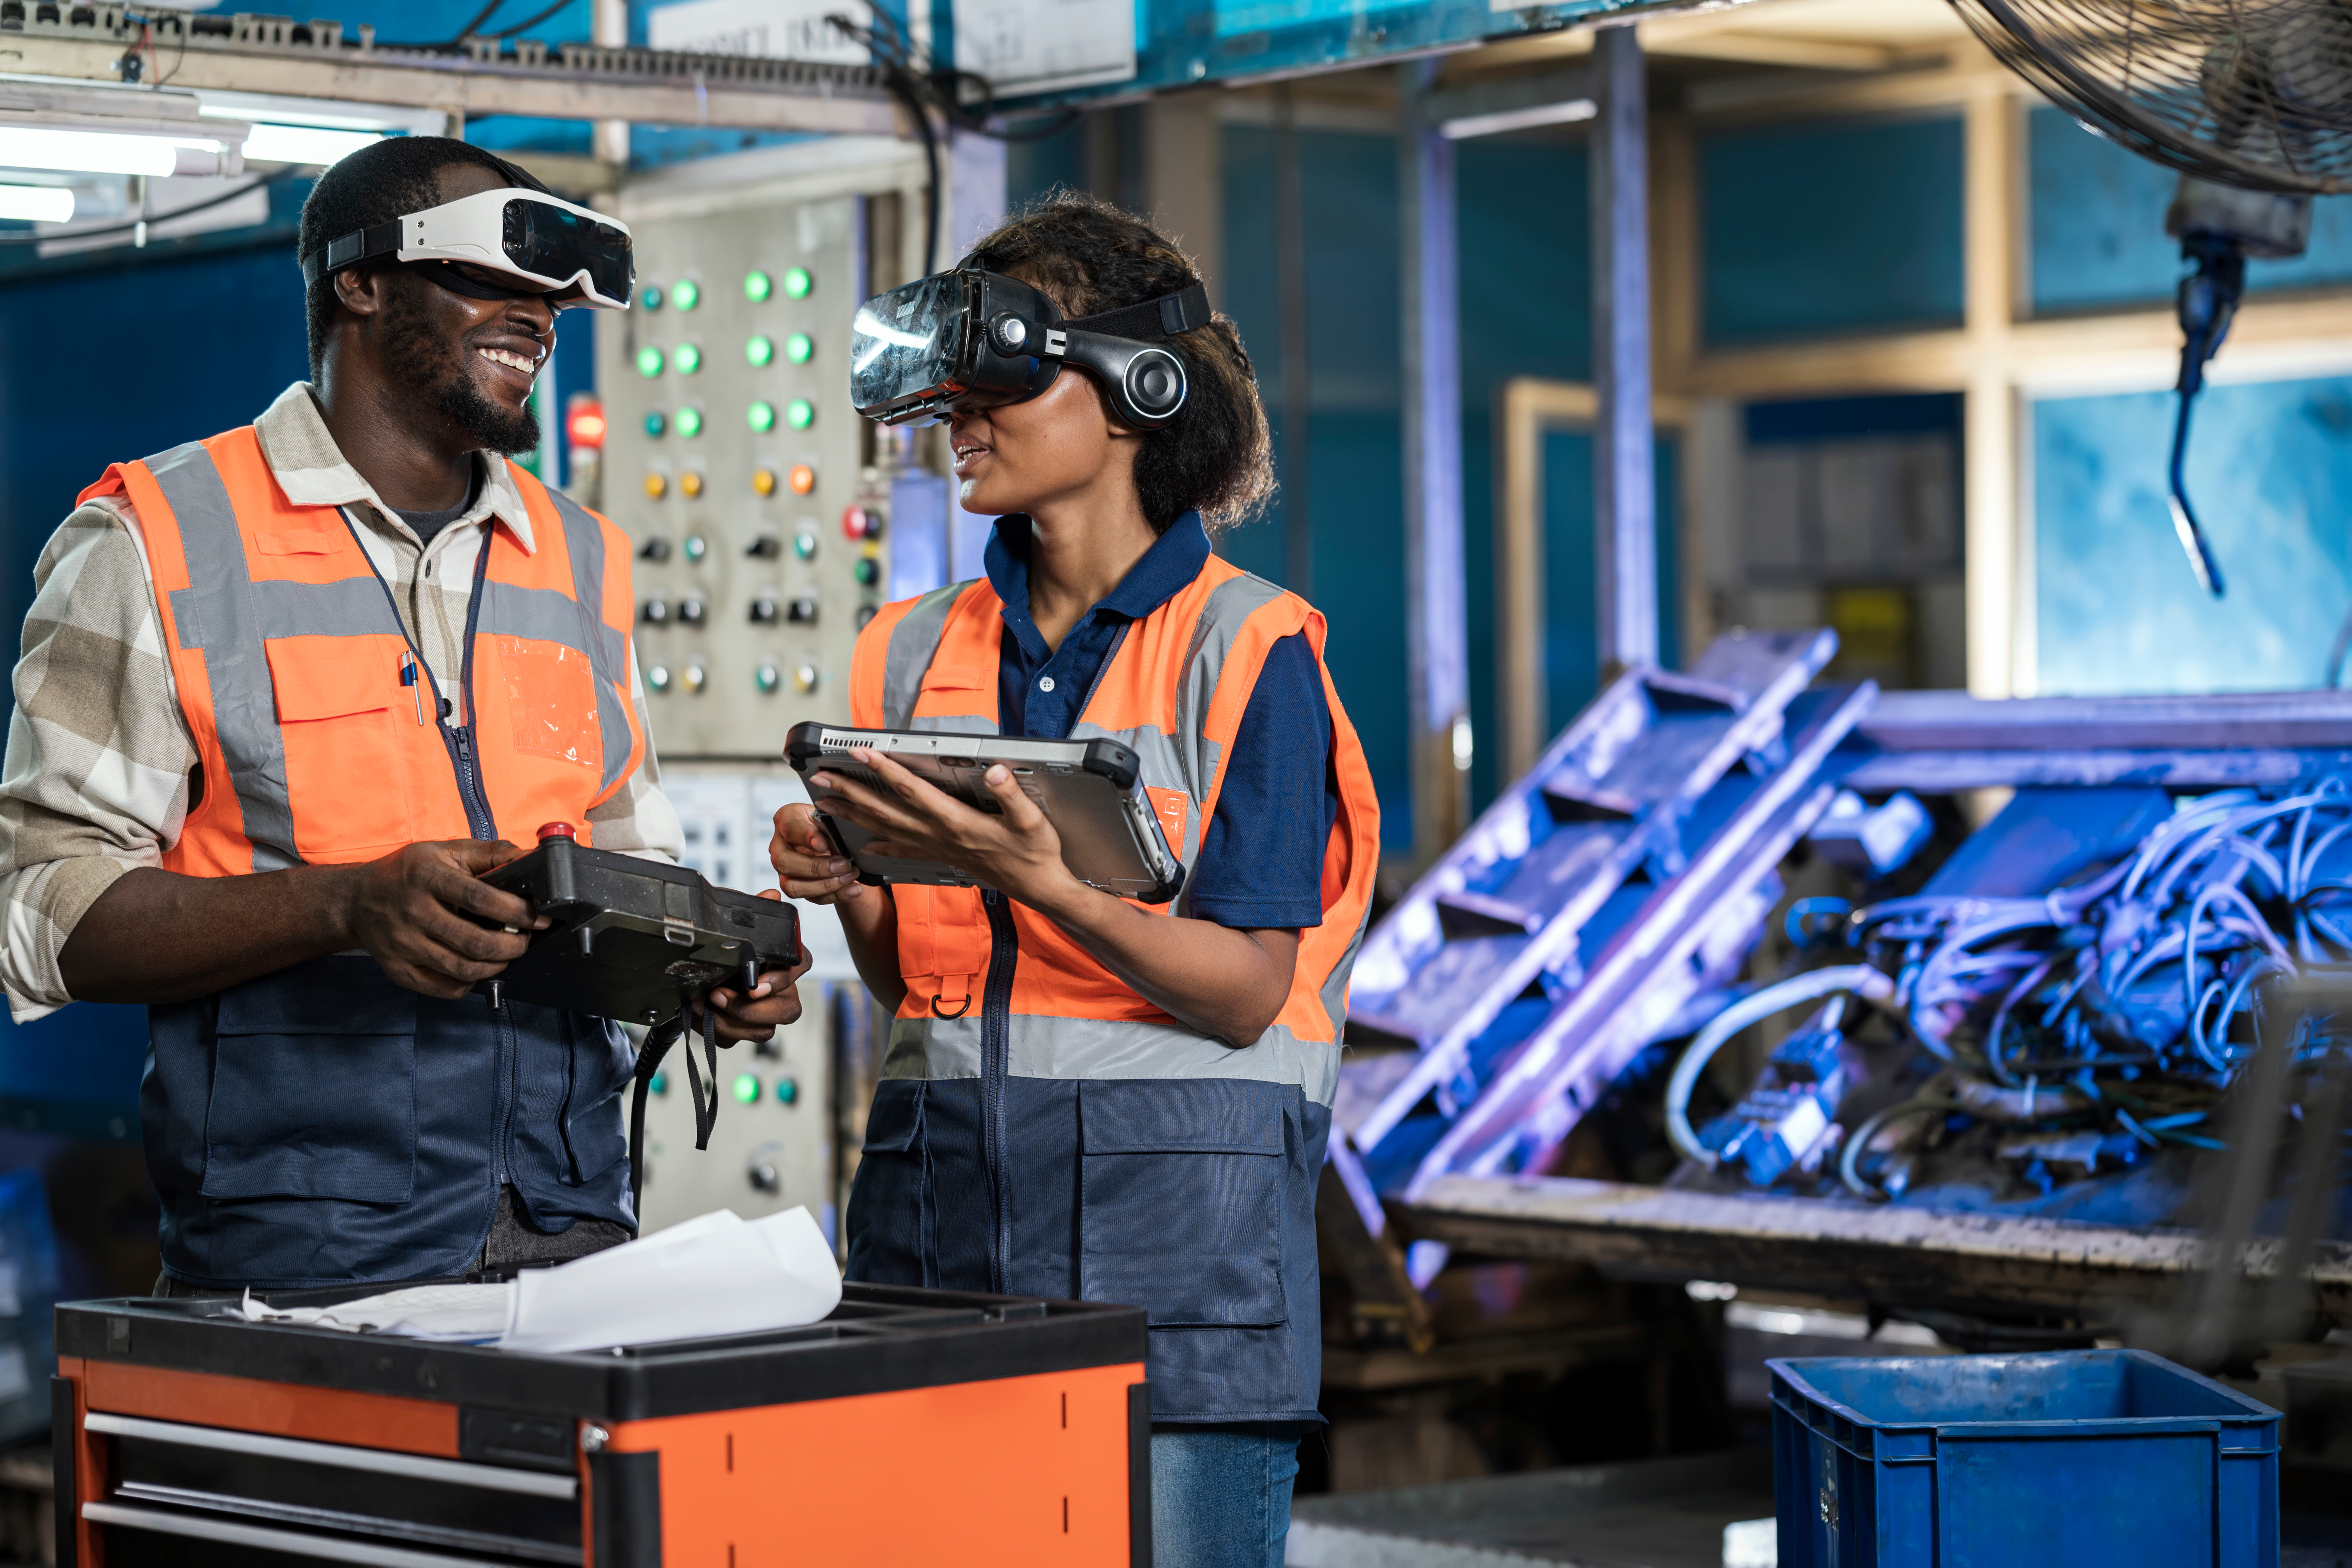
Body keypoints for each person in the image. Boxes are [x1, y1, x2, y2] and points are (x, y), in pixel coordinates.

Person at [0, 136, 803, 1293]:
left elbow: (626, 865)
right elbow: (41, 908)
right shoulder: (158, 539)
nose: (536, 318)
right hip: (302, 1245)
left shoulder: (576, 559)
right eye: (495, 279)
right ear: (359, 280)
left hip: (569, 1230)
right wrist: (344, 905)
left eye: (552, 299)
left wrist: (706, 973)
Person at [770, 192, 1380, 1567]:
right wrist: (853, 879)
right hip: (939, 1249)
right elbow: (918, 984)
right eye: (949, 396)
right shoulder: (905, 653)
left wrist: (1042, 883)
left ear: (1133, 397)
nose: (956, 424)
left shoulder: (1249, 646)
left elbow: (1241, 995)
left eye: (998, 387)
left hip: (1180, 1269)